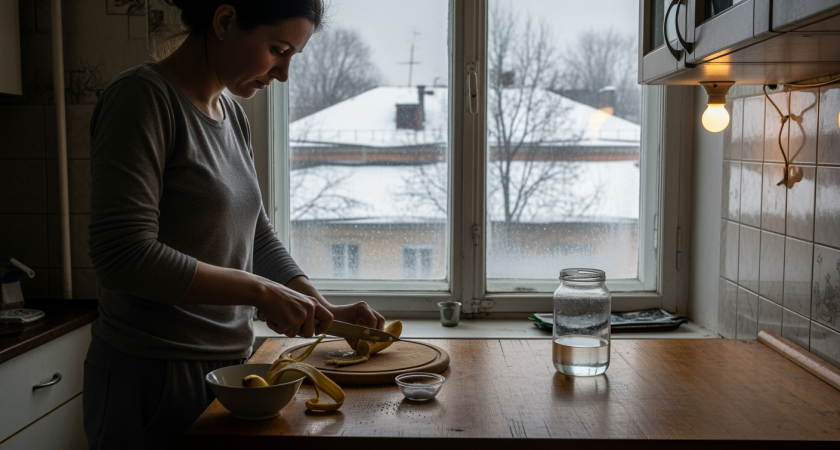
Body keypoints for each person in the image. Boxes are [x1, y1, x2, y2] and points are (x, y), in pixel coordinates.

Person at [82, 1, 385, 448]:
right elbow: (123, 255)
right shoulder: (142, 99)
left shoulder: (232, 115)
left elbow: (255, 234)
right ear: (224, 21)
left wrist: (323, 311)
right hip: (151, 374)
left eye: (292, 56)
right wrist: (261, 291)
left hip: (229, 368)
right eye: (278, 49)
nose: (283, 74)